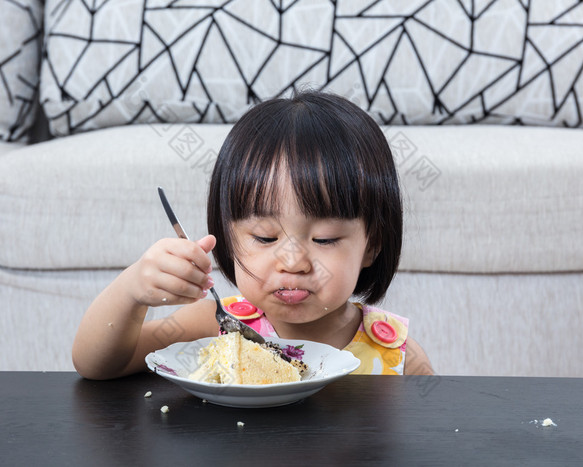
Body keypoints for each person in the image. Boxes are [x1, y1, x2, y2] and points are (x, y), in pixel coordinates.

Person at [72, 91, 433, 380]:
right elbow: (100, 366)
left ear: (372, 245)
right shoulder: (217, 326)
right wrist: (131, 291)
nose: (293, 261)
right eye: (264, 237)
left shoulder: (395, 355)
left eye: (323, 239)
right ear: (228, 238)